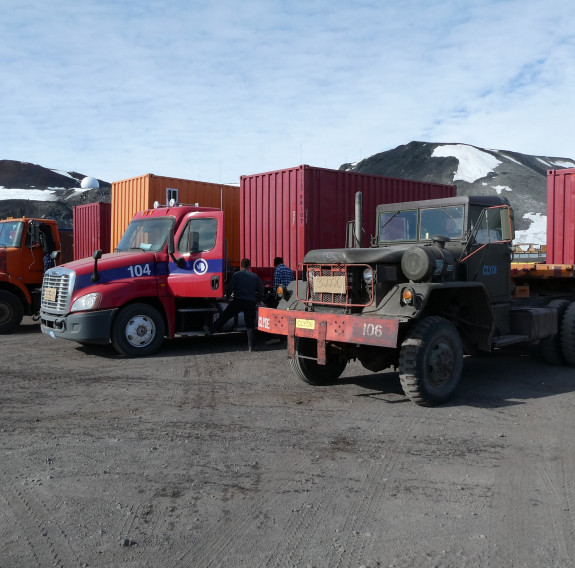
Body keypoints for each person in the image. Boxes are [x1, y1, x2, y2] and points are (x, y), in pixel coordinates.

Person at [203, 258, 264, 351]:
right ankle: (251, 346)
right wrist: (258, 299)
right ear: (249, 266)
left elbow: (231, 288)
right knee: (250, 324)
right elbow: (261, 289)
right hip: (250, 302)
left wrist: (227, 297)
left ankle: (211, 331)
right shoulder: (255, 276)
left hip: (238, 301)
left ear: (241, 266)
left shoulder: (236, 275)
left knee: (225, 316)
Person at [266, 257, 295, 346]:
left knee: (277, 316)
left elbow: (276, 286)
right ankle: (285, 337)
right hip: (290, 297)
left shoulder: (278, 270)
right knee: (286, 316)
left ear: (275, 264)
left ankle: (276, 337)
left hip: (281, 297)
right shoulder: (289, 270)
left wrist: (274, 296)